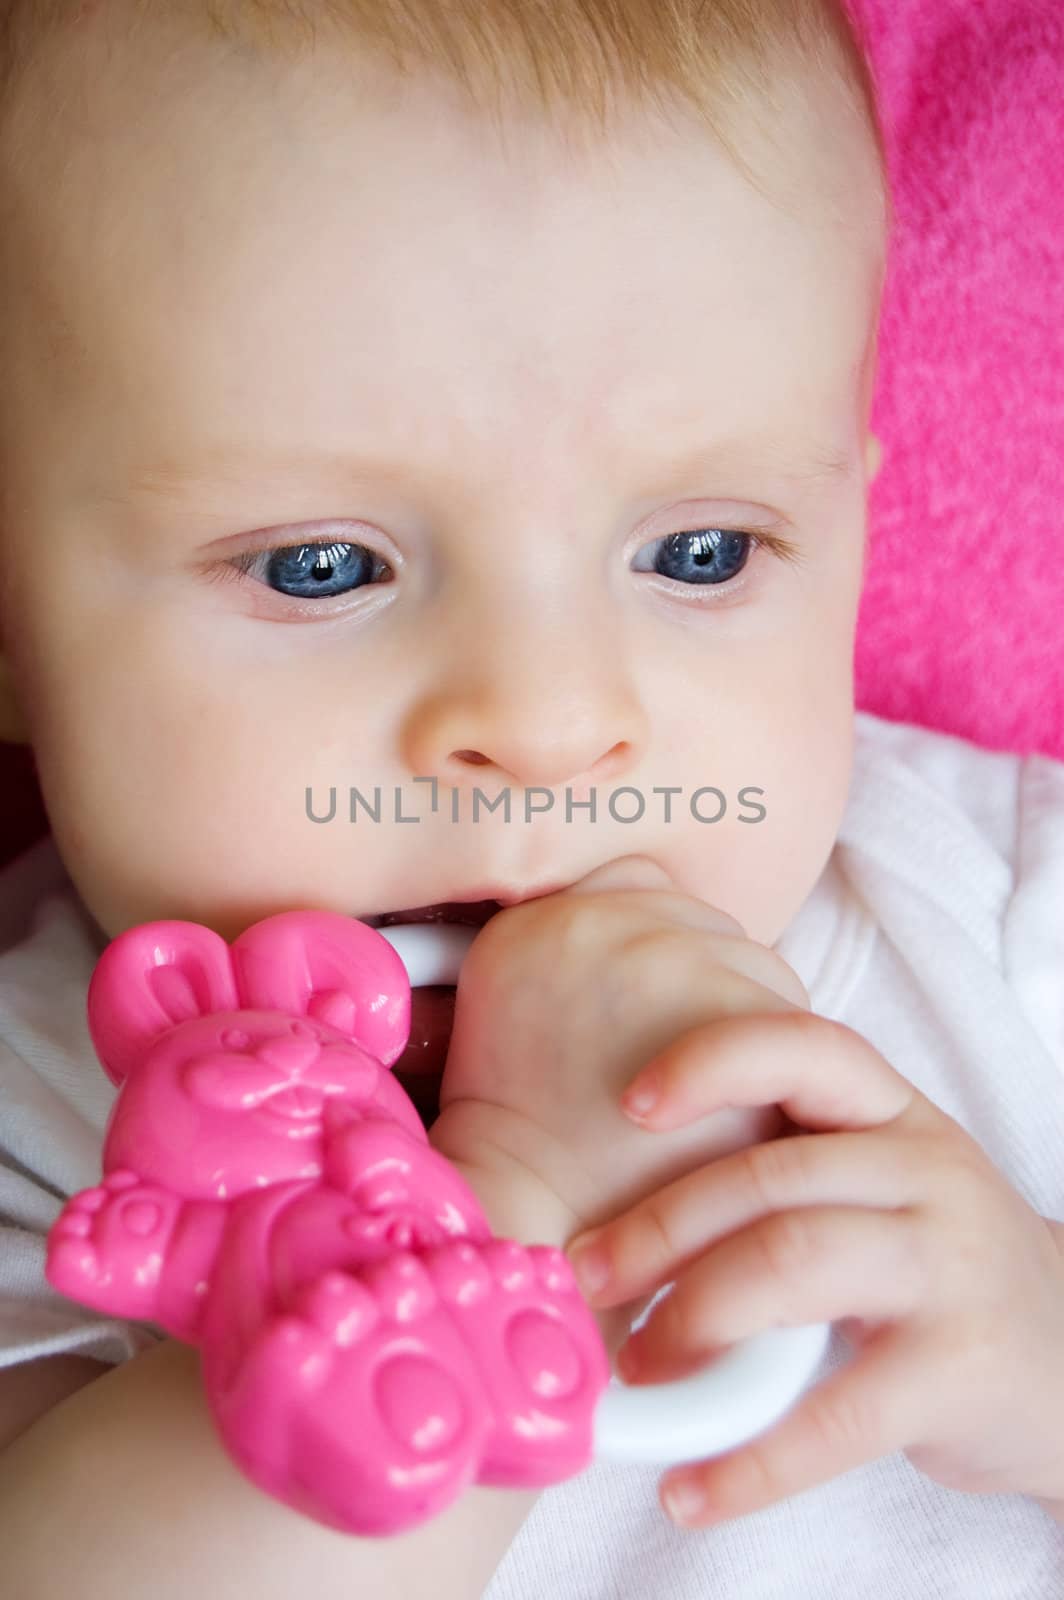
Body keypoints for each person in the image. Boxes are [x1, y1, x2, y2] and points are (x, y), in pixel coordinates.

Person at [0, 1, 1061, 1594]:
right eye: (321, 565)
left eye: (698, 555)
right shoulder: (57, 1136)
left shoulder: (1003, 912)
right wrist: (510, 1207)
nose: (554, 725)